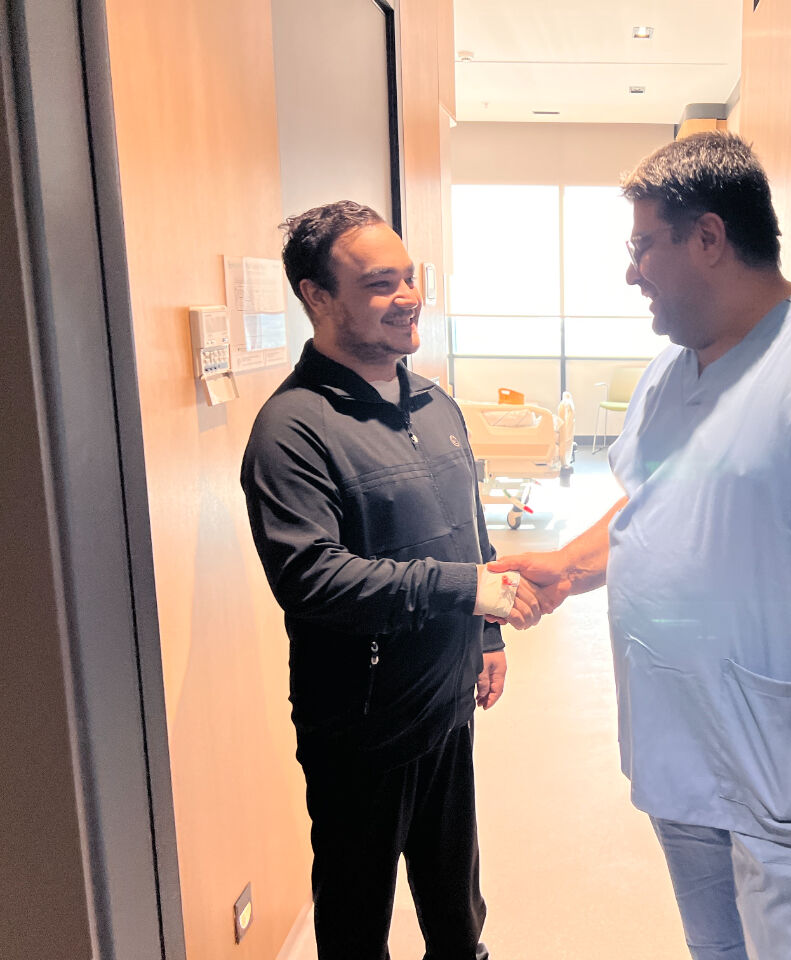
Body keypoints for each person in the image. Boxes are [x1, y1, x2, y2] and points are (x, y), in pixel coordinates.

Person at [491, 133, 791, 959]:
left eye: (643, 246)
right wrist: (568, 567)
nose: (632, 272)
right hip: (682, 751)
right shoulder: (668, 374)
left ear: (709, 238)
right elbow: (657, 502)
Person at [241, 201, 540, 960]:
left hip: (446, 703)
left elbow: (469, 530)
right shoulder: (292, 430)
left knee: (457, 909)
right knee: (355, 920)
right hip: (360, 727)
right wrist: (463, 590)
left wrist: (487, 637)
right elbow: (312, 578)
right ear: (317, 296)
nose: (408, 298)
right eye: (379, 284)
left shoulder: (435, 404)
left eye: (410, 278)